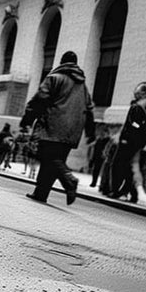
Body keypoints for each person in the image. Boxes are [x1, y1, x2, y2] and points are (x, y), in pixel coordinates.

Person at [19, 49, 95, 205]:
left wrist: (27, 120)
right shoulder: (82, 85)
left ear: (61, 62)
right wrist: (90, 132)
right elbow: (89, 109)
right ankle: (41, 193)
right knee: (56, 160)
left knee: (48, 157)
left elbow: (40, 100)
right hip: (72, 131)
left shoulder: (54, 78)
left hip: (53, 126)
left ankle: (69, 180)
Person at [107, 82, 146, 203]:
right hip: (141, 145)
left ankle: (116, 191)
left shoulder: (137, 106)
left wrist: (127, 138)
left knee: (118, 165)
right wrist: (145, 141)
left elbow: (132, 125)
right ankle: (132, 193)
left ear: (143, 93)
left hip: (128, 142)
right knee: (132, 168)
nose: (135, 94)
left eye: (137, 92)